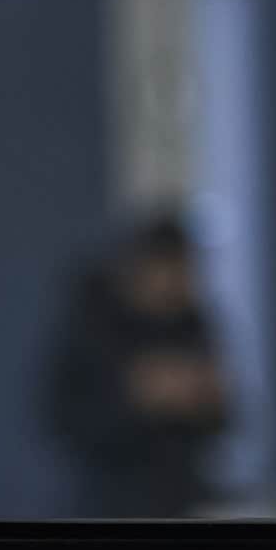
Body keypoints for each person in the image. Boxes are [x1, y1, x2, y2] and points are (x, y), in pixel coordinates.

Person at [42, 211, 232, 518]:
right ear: (139, 268)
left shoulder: (192, 323)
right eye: (168, 270)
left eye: (185, 270)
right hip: (108, 502)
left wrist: (203, 397)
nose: (176, 283)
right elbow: (62, 420)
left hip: (184, 499)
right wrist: (137, 400)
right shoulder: (90, 327)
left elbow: (225, 420)